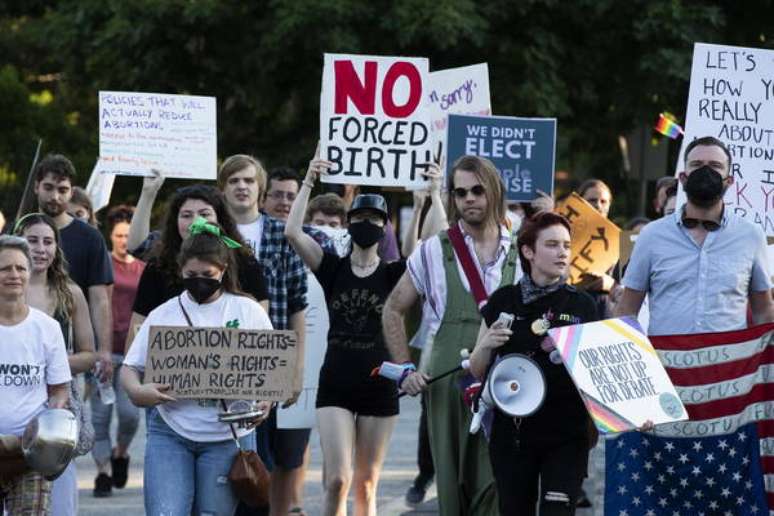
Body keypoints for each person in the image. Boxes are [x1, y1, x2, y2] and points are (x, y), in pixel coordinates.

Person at [383, 155, 522, 515]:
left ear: (494, 190)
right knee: (451, 482)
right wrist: (404, 369)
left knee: (497, 479)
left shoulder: (522, 250)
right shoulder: (433, 250)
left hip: (506, 377)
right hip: (447, 379)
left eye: (477, 190)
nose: (469, 199)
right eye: (460, 193)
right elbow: (393, 309)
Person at [121, 227, 272, 515]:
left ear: (223, 270)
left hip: (226, 437)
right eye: (191, 276)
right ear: (180, 271)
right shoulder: (163, 314)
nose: (199, 282)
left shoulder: (249, 312)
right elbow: (130, 368)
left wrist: (267, 402)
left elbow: (272, 369)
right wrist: (139, 391)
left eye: (208, 275)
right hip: (170, 432)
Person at [469, 212, 598, 515]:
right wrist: (487, 344)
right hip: (513, 434)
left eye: (566, 245)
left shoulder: (583, 305)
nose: (563, 252)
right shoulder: (503, 301)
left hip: (567, 433)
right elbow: (476, 369)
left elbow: (595, 374)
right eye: (552, 244)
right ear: (528, 252)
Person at [218, 155, 311, 516]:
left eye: (249, 181)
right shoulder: (210, 233)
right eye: (234, 180)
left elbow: (298, 307)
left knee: (260, 459)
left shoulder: (281, 234)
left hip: (268, 361)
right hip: (218, 361)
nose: (242, 186)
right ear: (222, 188)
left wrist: (297, 368)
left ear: (260, 188)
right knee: (223, 455)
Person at [615, 136, 774, 333]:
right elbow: (627, 309)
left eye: (715, 166)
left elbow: (763, 310)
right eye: (697, 165)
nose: (706, 172)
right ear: (683, 178)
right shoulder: (652, 236)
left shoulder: (751, 236)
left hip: (730, 363)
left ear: (729, 180)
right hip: (666, 361)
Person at [14, 213, 97, 515]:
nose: (40, 248)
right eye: (32, 240)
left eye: (47, 241)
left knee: (58, 496)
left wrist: (53, 365)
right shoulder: (6, 289)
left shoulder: (69, 293)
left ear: (56, 248)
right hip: (10, 397)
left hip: (55, 403)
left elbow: (89, 353)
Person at [127, 185, 269, 352]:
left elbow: (260, 325)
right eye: (187, 215)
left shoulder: (245, 263)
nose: (196, 221)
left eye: (204, 214)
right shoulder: (158, 266)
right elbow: (138, 327)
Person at [0, 235, 71, 515]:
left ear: (30, 273)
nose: (14, 275)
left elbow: (59, 390)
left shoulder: (48, 327)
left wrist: (47, 427)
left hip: (30, 456)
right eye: (5, 268)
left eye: (20, 268)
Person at [32, 154, 114, 386]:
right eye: (48, 187)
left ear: (71, 192)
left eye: (63, 189)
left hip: (72, 353)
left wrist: (104, 350)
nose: (55, 196)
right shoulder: (18, 231)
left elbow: (100, 299)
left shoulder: (90, 237)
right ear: (37, 187)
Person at [89, 205, 144, 497]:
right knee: (99, 418)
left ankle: (120, 453)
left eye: (128, 235)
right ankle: (102, 474)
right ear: (110, 237)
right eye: (119, 235)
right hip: (105, 352)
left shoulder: (143, 267)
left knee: (130, 416)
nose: (124, 240)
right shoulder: (102, 265)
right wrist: (98, 348)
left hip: (132, 352)